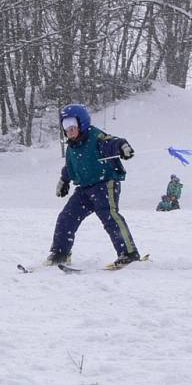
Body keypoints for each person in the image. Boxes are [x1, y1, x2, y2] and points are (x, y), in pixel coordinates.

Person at [47, 103, 140, 267]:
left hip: (105, 184)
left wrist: (122, 146)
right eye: (65, 125)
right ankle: (60, 253)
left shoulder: (95, 137)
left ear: (82, 123)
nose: (69, 129)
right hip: (84, 189)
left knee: (109, 216)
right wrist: (64, 180)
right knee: (66, 218)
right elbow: (71, 167)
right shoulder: (71, 148)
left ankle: (129, 253)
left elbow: (111, 142)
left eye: (72, 125)